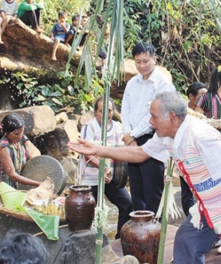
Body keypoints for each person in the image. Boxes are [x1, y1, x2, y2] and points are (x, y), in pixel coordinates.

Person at [68, 91, 221, 263]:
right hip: (210, 201)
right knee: (186, 241)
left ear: (171, 117)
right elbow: (139, 153)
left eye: (154, 116)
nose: (150, 121)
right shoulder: (167, 134)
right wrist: (98, 150)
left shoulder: (201, 137)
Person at [120, 42, 175, 215]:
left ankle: (154, 232)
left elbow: (155, 116)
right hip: (132, 140)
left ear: (154, 60)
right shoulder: (132, 83)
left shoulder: (163, 84)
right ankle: (138, 229)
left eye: (146, 61)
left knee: (152, 189)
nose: (142, 66)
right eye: (138, 62)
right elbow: (125, 110)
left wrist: (133, 134)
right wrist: (127, 135)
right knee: (136, 187)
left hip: (153, 138)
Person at [79, 96, 133, 239]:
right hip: (91, 178)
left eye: (109, 111)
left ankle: (120, 239)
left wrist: (114, 172)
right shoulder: (88, 127)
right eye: (102, 111)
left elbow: (120, 151)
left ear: (113, 111)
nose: (106, 114)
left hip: (110, 177)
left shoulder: (116, 127)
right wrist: (103, 168)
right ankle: (90, 242)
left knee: (127, 204)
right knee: (89, 212)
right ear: (95, 112)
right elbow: (87, 155)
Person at [0, 113, 40, 194]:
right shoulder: (2, 147)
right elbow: (12, 175)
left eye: (22, 132)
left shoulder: (22, 139)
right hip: (3, 188)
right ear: (6, 132)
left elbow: (30, 160)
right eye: (16, 134)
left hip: (17, 185)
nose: (20, 136)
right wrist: (38, 184)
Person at [180, 81, 208, 216]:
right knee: (186, 189)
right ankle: (189, 217)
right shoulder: (180, 110)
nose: (205, 99)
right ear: (191, 96)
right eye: (202, 95)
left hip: (200, 155)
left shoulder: (205, 111)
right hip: (184, 153)